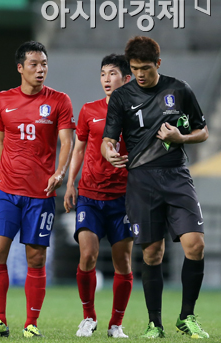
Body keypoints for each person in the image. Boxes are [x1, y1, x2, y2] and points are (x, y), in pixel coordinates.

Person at [102, 36, 209, 339]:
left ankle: (186, 316)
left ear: (158, 64)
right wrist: (108, 151)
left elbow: (203, 130)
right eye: (135, 68)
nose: (140, 74)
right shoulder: (122, 97)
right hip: (141, 180)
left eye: (145, 68)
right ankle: (155, 324)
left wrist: (182, 138)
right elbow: (107, 140)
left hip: (176, 175)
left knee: (196, 245)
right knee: (151, 254)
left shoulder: (179, 89)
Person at [0, 41, 75, 338]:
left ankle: (31, 324)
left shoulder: (59, 101)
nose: (41, 69)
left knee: (35, 258)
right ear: (20, 68)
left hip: (41, 193)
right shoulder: (1, 100)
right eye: (34, 64)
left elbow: (67, 142)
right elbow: (1, 141)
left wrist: (59, 173)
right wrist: (11, 169)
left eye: (44, 63)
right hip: (5, 189)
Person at [64, 54, 133, 338]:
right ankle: (88, 316)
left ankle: (115, 324)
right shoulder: (89, 110)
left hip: (123, 198)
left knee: (123, 263)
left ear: (127, 79)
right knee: (88, 254)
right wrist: (70, 183)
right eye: (103, 73)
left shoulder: (137, 114)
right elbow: (78, 149)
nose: (106, 79)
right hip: (90, 195)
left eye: (113, 73)